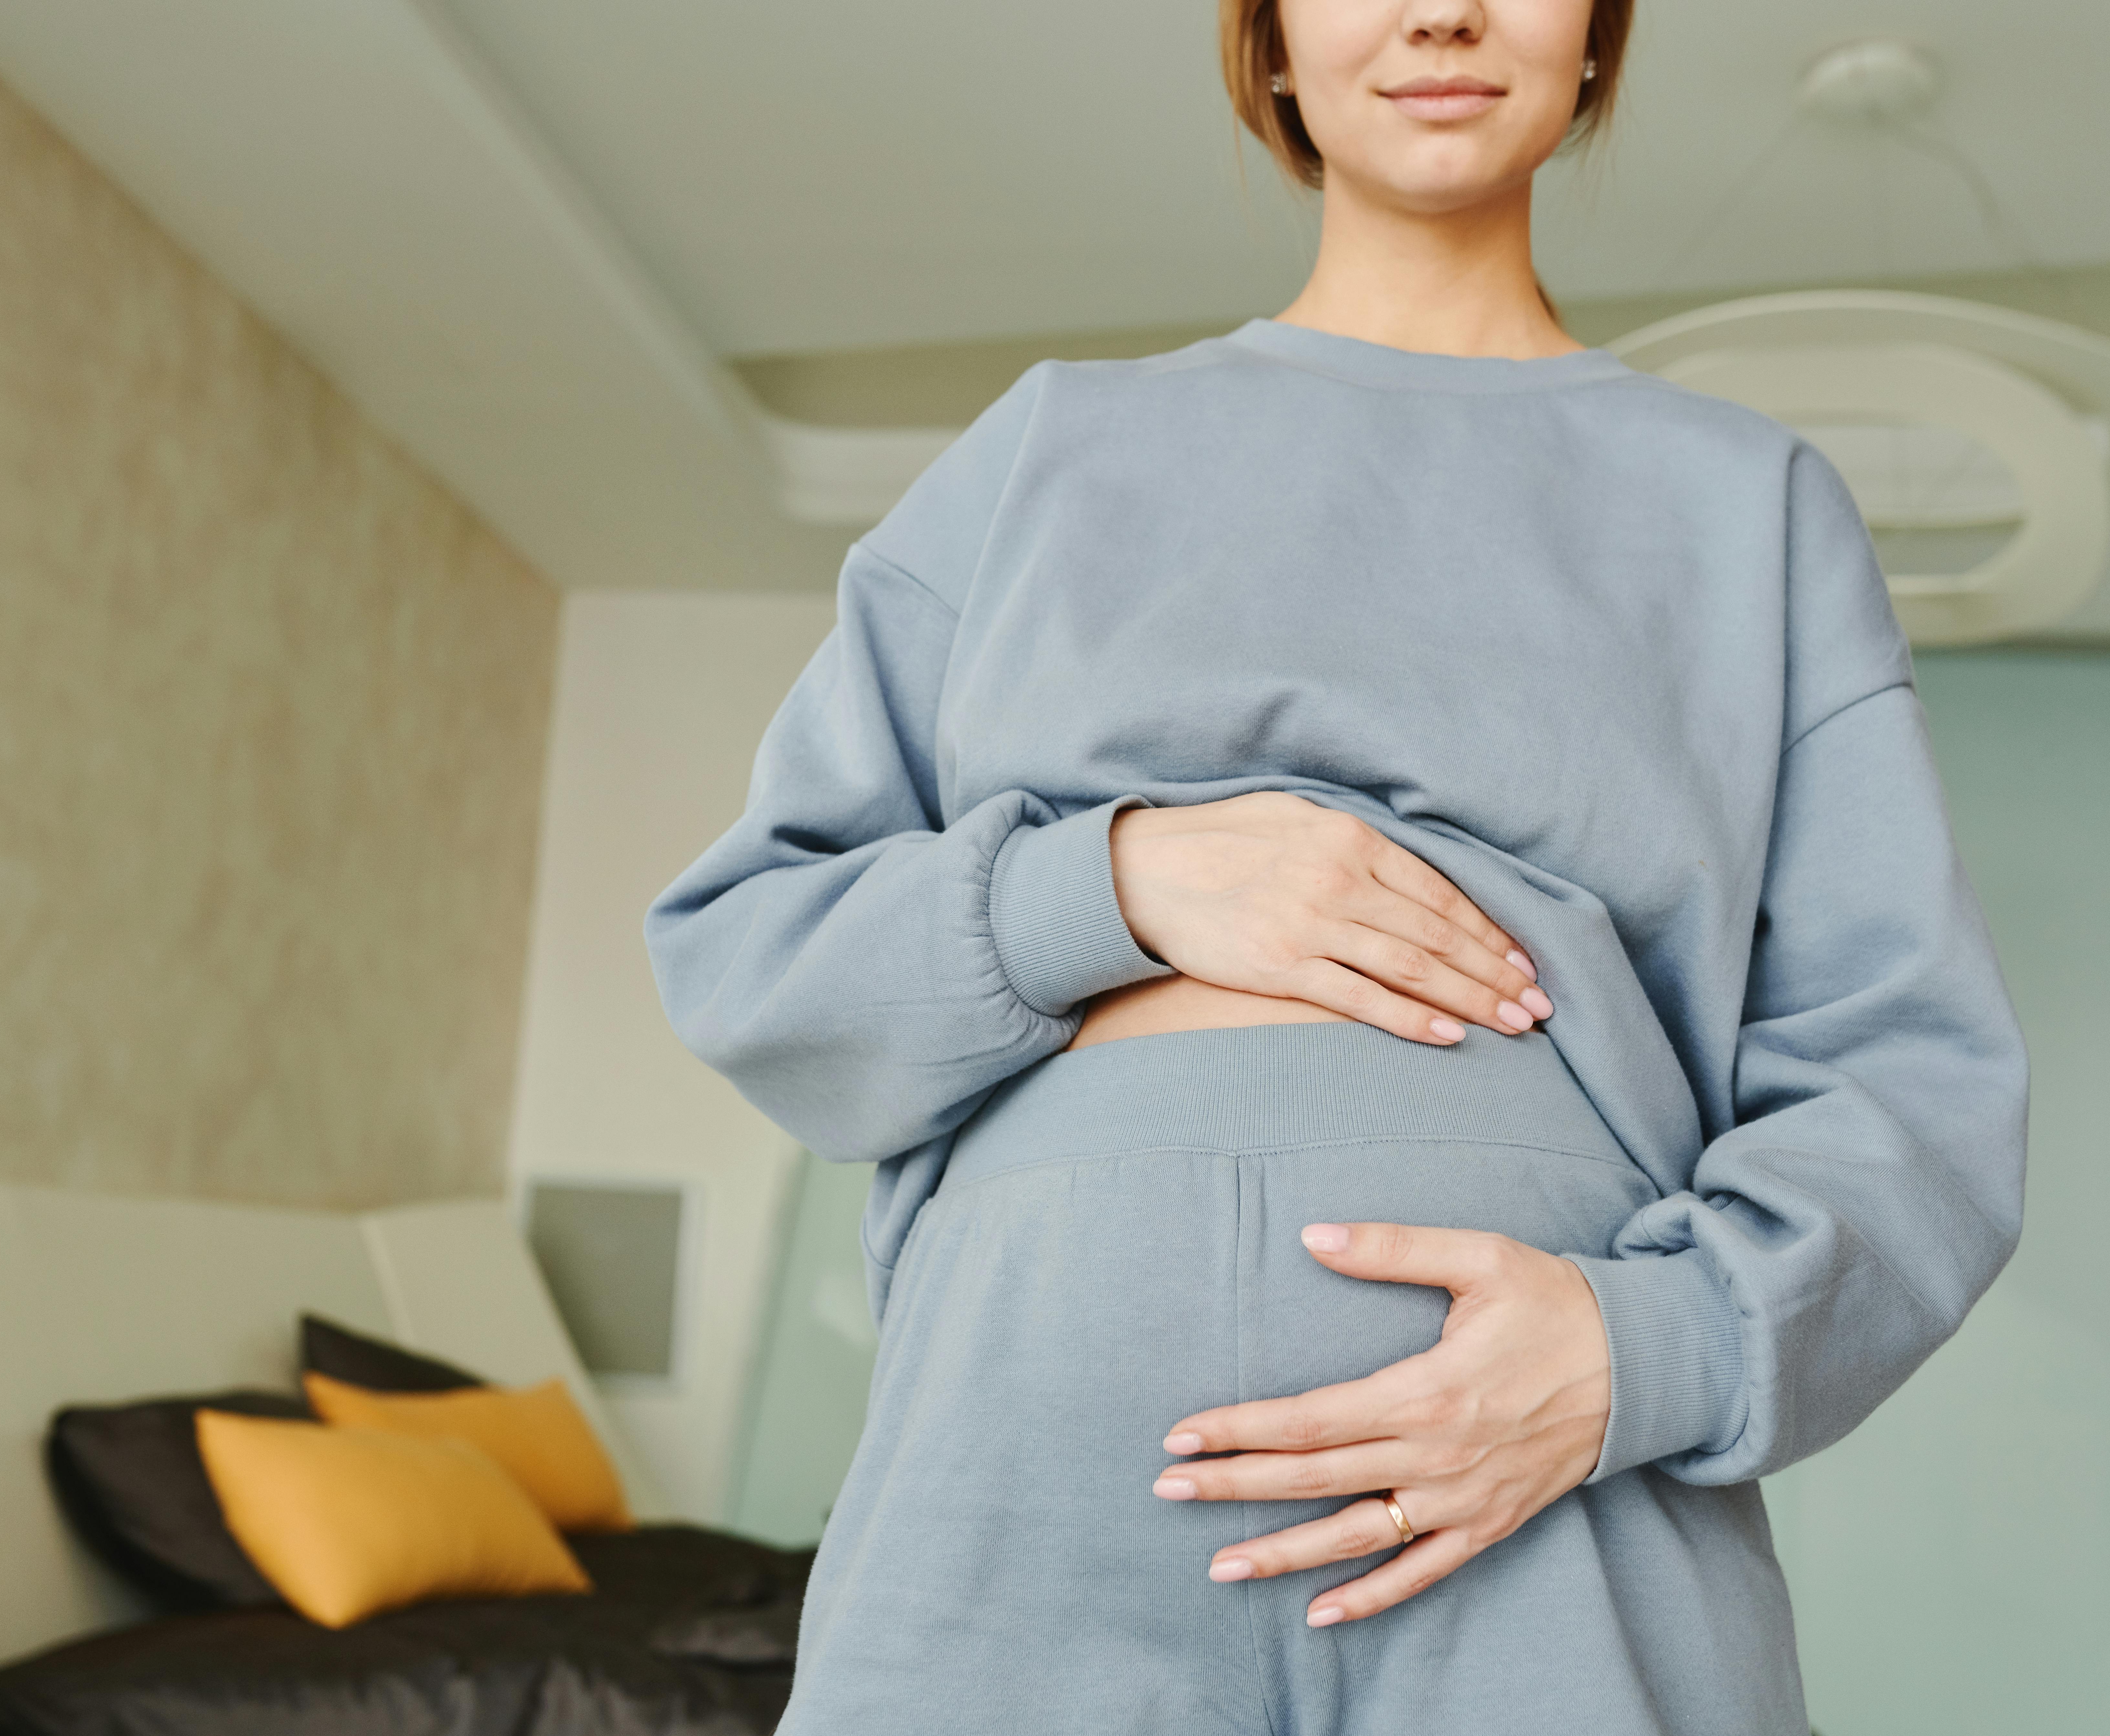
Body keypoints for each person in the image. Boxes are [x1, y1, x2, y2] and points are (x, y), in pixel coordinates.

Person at [645, 0, 2028, 1729]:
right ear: (1270, 44)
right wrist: (1121, 883)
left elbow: (1912, 1083)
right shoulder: (1046, 452)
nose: (1439, 8)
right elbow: (746, 942)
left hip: (1549, 1513)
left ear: (1596, 41)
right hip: (1016, 1479)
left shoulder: (1746, 507)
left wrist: (1632, 1356)